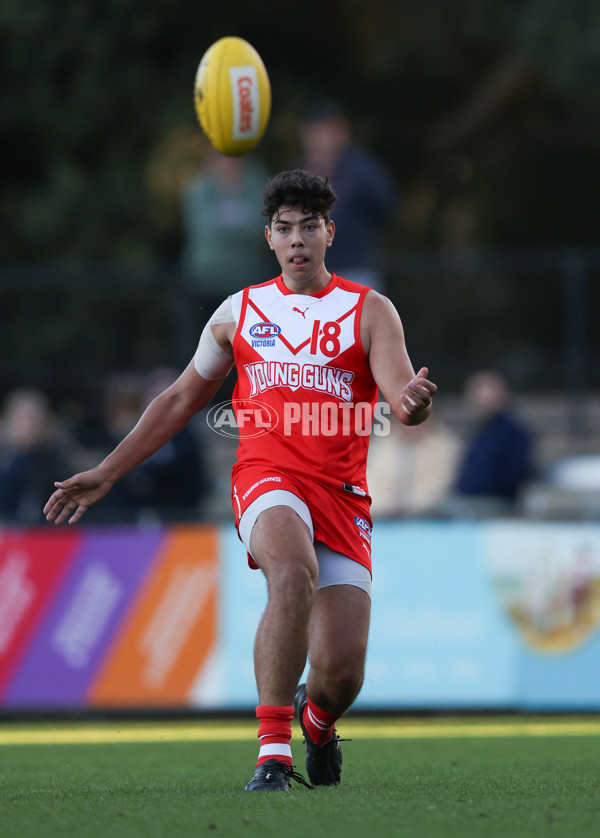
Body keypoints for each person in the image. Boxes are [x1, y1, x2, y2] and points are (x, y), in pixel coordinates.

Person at [43, 169, 437, 792]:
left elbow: (399, 393)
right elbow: (178, 400)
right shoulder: (240, 312)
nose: (298, 240)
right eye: (286, 229)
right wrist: (107, 471)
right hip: (267, 476)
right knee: (291, 571)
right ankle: (272, 753)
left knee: (342, 676)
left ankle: (317, 719)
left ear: (331, 233)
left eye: (310, 227)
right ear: (269, 238)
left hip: (342, 496)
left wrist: (412, 403)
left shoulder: (368, 311)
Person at [295, 102, 398, 292]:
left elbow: (387, 208)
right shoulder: (296, 175)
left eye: (326, 131)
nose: (321, 140)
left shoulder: (362, 171)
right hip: (308, 272)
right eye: (315, 133)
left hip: (356, 269)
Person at [450, 370, 535, 515]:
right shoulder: (480, 431)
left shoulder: (514, 433)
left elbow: (512, 476)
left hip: (495, 503)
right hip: (470, 501)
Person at [0, 388, 79, 524]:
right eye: (21, 420)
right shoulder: (6, 460)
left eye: (33, 420)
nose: (28, 426)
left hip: (47, 533)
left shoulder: (56, 459)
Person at [367, 411, 460, 518]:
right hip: (384, 520)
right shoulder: (381, 446)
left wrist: (407, 507)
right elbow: (371, 484)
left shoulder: (445, 446)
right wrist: (388, 508)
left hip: (429, 521)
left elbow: (438, 489)